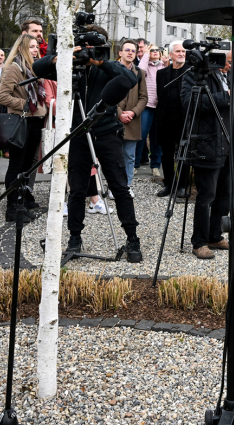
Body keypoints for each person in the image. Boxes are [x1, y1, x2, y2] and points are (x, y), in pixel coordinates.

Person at [33, 27, 142, 260]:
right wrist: (63, 57)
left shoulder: (109, 67)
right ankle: (74, 238)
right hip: (78, 133)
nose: (89, 54)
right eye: (87, 49)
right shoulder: (69, 67)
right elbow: (38, 67)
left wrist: (100, 62)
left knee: (120, 187)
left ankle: (132, 239)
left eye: (96, 49)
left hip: (106, 132)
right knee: (78, 190)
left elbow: (131, 79)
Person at [179, 50, 232, 259]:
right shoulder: (193, 75)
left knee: (224, 195)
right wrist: (225, 97)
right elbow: (191, 103)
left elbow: (228, 106)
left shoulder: (224, 77)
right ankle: (199, 242)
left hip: (227, 143)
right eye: (226, 62)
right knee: (206, 196)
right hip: (206, 143)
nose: (228, 66)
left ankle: (214, 235)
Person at [0, 34, 48, 221]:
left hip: (35, 121)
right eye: (32, 47)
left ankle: (22, 202)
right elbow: (2, 96)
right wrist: (25, 104)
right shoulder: (14, 69)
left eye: (36, 46)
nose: (35, 50)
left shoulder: (33, 68)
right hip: (21, 121)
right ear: (22, 48)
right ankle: (12, 208)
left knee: (27, 166)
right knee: (17, 165)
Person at [156, 40, 191, 198]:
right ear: (170, 54)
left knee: (184, 153)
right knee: (166, 154)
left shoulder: (191, 72)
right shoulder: (161, 74)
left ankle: (182, 185)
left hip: (184, 119)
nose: (182, 54)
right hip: (166, 119)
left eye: (183, 52)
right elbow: (160, 96)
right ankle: (169, 184)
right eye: (178, 51)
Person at [115, 39, 147, 188]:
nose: (130, 53)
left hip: (132, 121)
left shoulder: (140, 73)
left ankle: (126, 186)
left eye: (133, 51)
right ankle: (114, 186)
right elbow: (105, 96)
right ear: (120, 53)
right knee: (114, 158)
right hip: (114, 120)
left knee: (129, 156)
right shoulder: (112, 69)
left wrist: (133, 113)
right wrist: (119, 113)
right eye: (127, 50)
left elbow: (144, 97)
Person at [136, 43, 165, 178]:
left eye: (156, 50)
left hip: (160, 107)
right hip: (146, 106)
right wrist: (146, 55)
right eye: (152, 50)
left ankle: (155, 166)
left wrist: (167, 62)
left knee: (157, 138)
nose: (154, 52)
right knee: (141, 135)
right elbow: (139, 72)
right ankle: (135, 164)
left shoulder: (163, 66)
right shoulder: (145, 66)